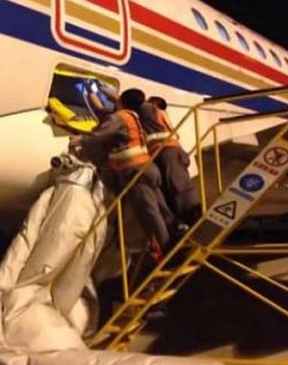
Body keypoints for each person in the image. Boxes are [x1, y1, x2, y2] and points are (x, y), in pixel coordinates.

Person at [69, 88, 177, 253]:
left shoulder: (118, 118)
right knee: (161, 208)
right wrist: (95, 94)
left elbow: (99, 135)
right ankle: (176, 235)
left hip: (135, 171)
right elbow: (103, 113)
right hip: (148, 168)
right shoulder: (135, 117)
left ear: (120, 101)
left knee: (149, 212)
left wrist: (80, 140)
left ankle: (168, 249)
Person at [139, 96, 201, 226]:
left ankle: (195, 219)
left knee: (178, 187)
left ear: (155, 103)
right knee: (171, 189)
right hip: (165, 152)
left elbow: (139, 103)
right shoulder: (157, 118)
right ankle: (184, 223)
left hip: (168, 152)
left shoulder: (152, 110)